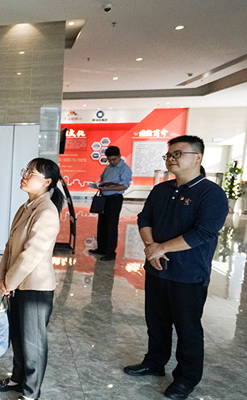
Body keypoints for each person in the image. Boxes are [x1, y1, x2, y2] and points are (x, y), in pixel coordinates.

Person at [124, 135, 228, 400]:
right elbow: (144, 218)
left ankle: (186, 378)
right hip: (157, 268)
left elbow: (204, 232)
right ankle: (154, 362)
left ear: (198, 157)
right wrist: (152, 248)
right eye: (169, 155)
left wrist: (161, 248)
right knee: (156, 321)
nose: (171, 159)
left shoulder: (211, 193)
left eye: (177, 154)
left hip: (188, 273)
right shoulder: (161, 190)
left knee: (187, 328)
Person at [0, 158, 64, 400]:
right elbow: (11, 246)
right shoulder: (26, 207)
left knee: (33, 343)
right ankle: (17, 379)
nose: (25, 175)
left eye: (31, 173)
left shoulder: (46, 212)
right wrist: (2, 277)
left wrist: (9, 282)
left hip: (35, 288)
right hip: (17, 283)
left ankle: (31, 393)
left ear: (47, 182)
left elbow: (31, 254)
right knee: (18, 336)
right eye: (26, 171)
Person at [88, 145, 132, 261]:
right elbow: (103, 179)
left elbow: (124, 186)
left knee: (111, 225)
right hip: (104, 198)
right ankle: (101, 248)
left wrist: (107, 188)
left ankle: (110, 252)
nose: (112, 162)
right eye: (109, 160)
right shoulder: (108, 167)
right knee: (102, 224)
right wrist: (99, 185)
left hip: (114, 199)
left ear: (119, 156)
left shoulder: (125, 169)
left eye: (114, 159)